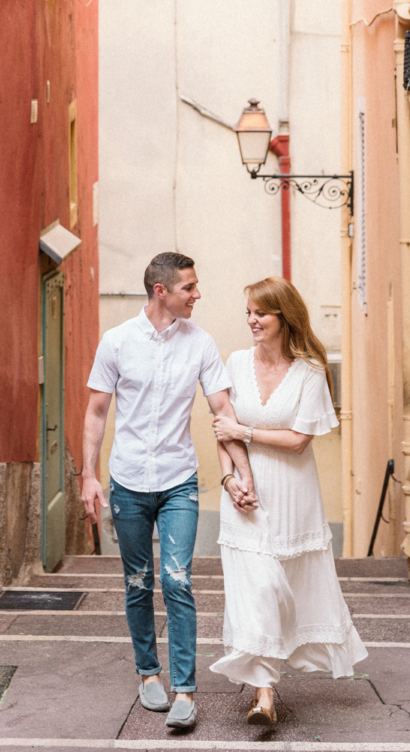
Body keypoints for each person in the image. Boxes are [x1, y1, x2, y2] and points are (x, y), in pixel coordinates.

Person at [81, 252, 256, 731]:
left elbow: (223, 411)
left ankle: (184, 690)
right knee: (138, 582)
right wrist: (88, 476)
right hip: (128, 481)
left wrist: (243, 473)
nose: (197, 294)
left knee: (177, 580)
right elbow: (96, 412)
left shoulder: (200, 343)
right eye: (189, 287)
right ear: (161, 291)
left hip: (179, 479)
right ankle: (148, 674)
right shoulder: (117, 342)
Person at [209, 275, 367, 726]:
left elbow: (300, 440)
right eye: (249, 313)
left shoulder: (311, 371)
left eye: (261, 313)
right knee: (258, 586)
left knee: (284, 586)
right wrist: (228, 478)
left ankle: (269, 677)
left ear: (284, 317)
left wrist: (247, 433)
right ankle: (263, 694)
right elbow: (222, 428)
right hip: (244, 496)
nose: (252, 320)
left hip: (293, 493)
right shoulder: (236, 363)